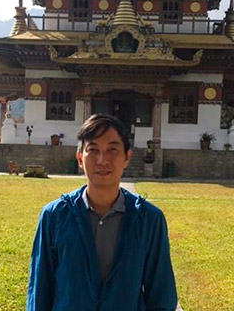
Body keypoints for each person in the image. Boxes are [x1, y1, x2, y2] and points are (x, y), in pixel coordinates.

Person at [26, 114, 177, 310]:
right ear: (80, 158)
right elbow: (39, 292)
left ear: (127, 157)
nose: (102, 159)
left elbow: (162, 297)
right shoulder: (54, 216)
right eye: (93, 150)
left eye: (112, 150)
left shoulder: (149, 220)